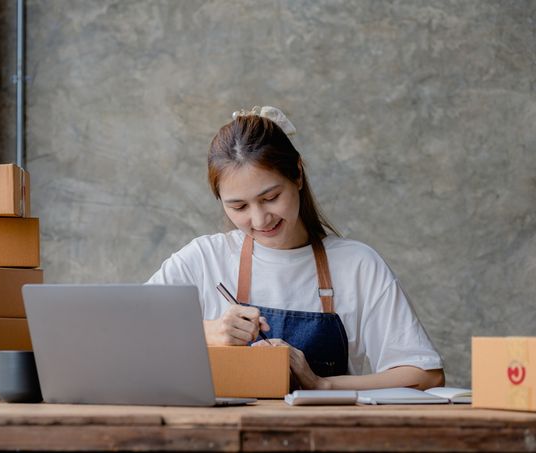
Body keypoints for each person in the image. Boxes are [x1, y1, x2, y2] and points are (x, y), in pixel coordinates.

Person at [147, 106, 444, 390]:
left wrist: (320, 383)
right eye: (238, 206)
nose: (260, 219)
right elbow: (123, 337)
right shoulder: (203, 259)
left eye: (271, 197)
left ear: (298, 174)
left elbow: (426, 375)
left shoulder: (357, 265)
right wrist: (207, 333)